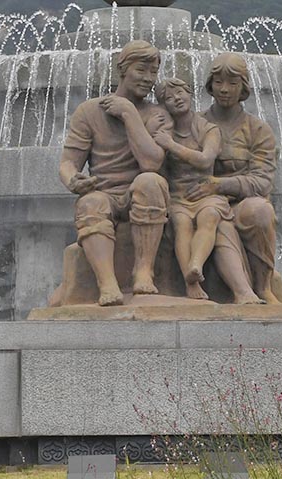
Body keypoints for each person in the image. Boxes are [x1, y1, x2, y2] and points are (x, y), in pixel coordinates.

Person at [59, 40, 172, 307]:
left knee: (151, 181)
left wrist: (129, 113)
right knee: (90, 203)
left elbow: (151, 162)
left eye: (154, 72)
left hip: (142, 192)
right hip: (105, 193)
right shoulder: (89, 111)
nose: (148, 79)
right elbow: (67, 162)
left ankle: (143, 271)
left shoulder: (158, 113)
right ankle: (107, 284)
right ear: (122, 69)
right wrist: (73, 179)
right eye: (141, 70)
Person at [153, 77, 264, 305]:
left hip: (206, 193)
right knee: (181, 224)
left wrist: (170, 145)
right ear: (163, 105)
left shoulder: (207, 128)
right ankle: (191, 282)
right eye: (169, 98)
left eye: (180, 92)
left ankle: (196, 263)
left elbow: (205, 160)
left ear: (190, 94)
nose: (177, 99)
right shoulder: (164, 130)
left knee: (210, 216)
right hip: (178, 196)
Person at [190, 52, 282, 305]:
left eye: (232, 83)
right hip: (200, 202)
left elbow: (262, 181)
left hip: (241, 201)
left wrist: (220, 185)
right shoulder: (194, 123)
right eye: (218, 82)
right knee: (215, 216)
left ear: (244, 86)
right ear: (210, 85)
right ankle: (241, 293)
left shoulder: (258, 130)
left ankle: (263, 286)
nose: (224, 89)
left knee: (260, 210)